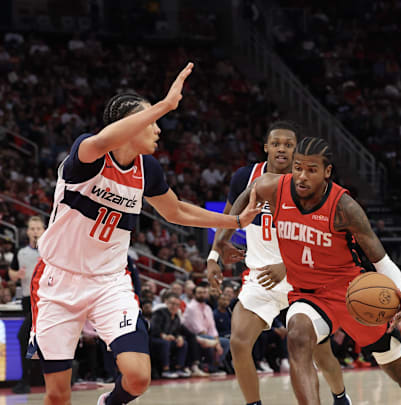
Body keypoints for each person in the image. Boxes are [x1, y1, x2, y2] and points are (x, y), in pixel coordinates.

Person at [28, 62, 244, 405]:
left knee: (139, 376)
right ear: (129, 126)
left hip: (110, 282)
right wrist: (164, 104)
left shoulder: (149, 170)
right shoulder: (88, 154)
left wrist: (234, 222)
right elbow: (103, 138)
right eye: (151, 122)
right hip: (57, 281)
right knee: (57, 396)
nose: (157, 129)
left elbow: (177, 210)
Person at [212, 137, 401, 405]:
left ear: (327, 171)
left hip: (353, 295)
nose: (302, 176)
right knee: (297, 335)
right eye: (297, 168)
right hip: (309, 296)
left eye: (311, 169)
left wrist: (400, 291)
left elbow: (380, 259)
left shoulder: (345, 208)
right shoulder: (273, 187)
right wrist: (223, 240)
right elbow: (245, 196)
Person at [206, 121, 351, 405]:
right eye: (276, 144)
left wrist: (288, 265)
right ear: (266, 148)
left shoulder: (311, 184)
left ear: (296, 150)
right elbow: (227, 216)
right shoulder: (245, 177)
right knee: (238, 342)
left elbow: (324, 237)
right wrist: (214, 254)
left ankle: (339, 395)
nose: (282, 149)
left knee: (320, 353)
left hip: (303, 278)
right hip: (260, 277)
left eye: (288, 144)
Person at [10, 216, 45, 394]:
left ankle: (25, 381)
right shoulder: (20, 252)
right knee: (31, 340)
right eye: (32, 229)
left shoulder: (49, 250)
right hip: (27, 300)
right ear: (27, 231)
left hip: (44, 301)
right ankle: (31, 379)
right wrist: (17, 275)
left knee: (24, 337)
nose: (35, 232)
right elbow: (11, 274)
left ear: (44, 230)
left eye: (38, 228)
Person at [150, 292, 190, 379]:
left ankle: (179, 368)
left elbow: (177, 332)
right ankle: (166, 370)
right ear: (166, 303)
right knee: (165, 343)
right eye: (172, 304)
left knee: (184, 343)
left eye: (177, 305)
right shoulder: (159, 313)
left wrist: (179, 337)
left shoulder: (176, 317)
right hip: (155, 339)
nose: (174, 306)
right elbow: (154, 329)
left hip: (168, 340)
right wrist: (163, 335)